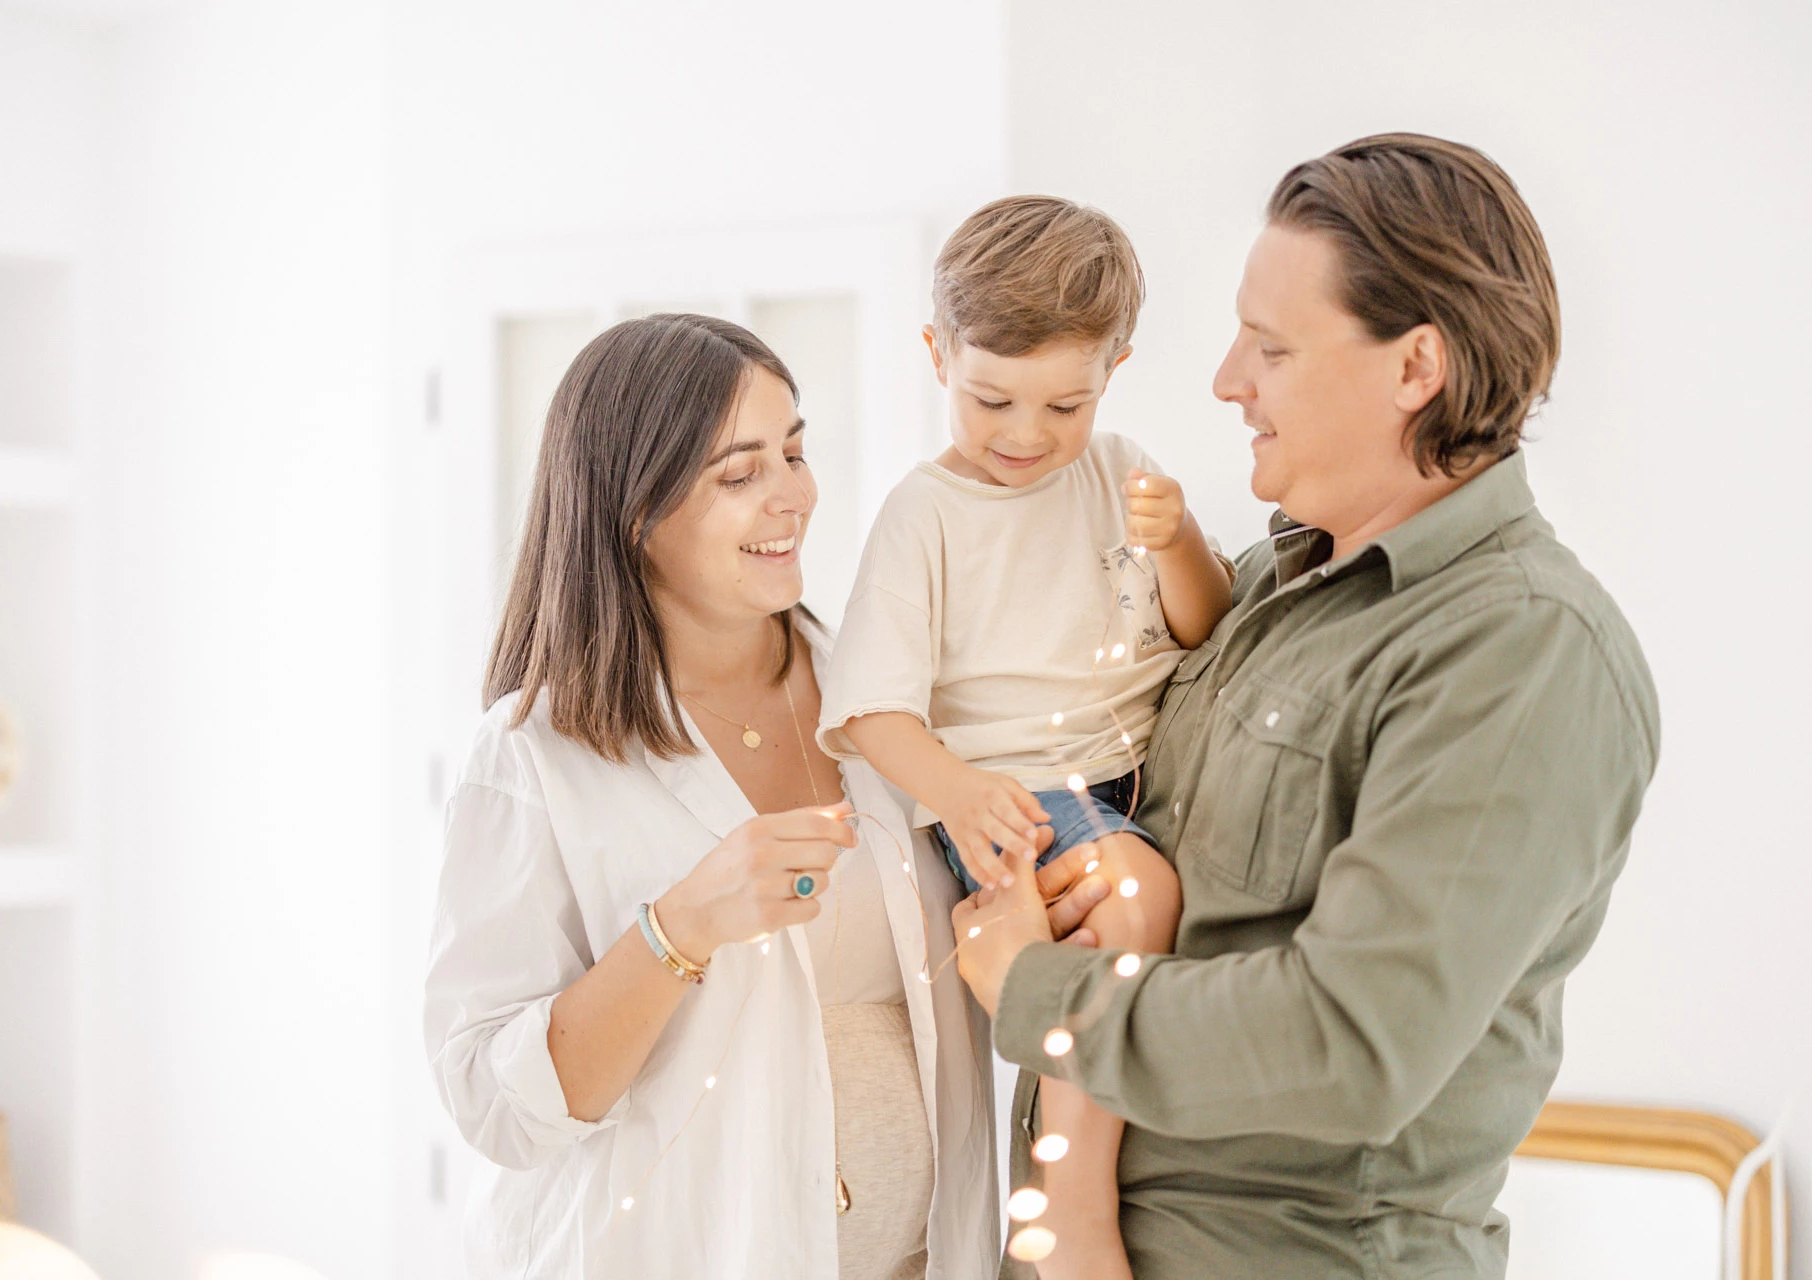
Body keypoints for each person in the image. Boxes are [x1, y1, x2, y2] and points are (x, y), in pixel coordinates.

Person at [952, 134, 1660, 1279]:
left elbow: (1353, 1038)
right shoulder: (1257, 590)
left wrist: (1036, 987)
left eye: (1271, 347)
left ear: (1414, 365)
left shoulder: (1524, 649)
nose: (1228, 379)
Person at [424, 314, 999, 1279]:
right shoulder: (534, 756)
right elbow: (495, 1104)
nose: (795, 498)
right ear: (635, 512)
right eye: (740, 475)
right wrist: (679, 928)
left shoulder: (893, 697)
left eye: (795, 451)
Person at [818, 196, 1233, 1280]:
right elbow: (867, 709)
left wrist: (1180, 536)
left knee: (1116, 950)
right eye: (990, 396)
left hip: (1133, 782)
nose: (1025, 434)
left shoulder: (1121, 470)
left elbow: (1205, 620)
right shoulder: (927, 513)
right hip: (1009, 797)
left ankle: (1065, 1170)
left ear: (1116, 370)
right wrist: (955, 791)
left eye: (1066, 403)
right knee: (1138, 900)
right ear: (937, 354)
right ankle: (1073, 1201)